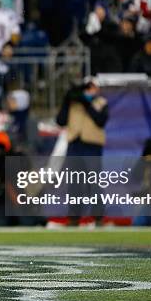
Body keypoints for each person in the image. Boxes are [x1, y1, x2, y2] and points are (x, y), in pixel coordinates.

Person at [56, 78, 108, 227]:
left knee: (94, 182)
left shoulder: (101, 103)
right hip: (74, 144)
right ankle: (73, 217)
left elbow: (100, 121)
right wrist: (67, 100)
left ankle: (98, 218)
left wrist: (86, 103)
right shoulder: (73, 103)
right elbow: (60, 120)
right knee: (74, 183)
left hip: (92, 146)